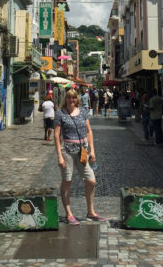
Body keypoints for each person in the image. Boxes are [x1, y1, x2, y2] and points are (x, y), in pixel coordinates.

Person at [54, 89, 106, 225]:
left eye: (74, 98)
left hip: (82, 151)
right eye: (69, 98)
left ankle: (90, 211)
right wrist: (59, 155)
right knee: (67, 180)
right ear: (65, 99)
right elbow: (56, 135)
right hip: (67, 151)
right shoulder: (60, 114)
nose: (72, 100)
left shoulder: (83, 112)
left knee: (91, 180)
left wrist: (92, 150)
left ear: (77, 99)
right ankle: (69, 214)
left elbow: (89, 131)